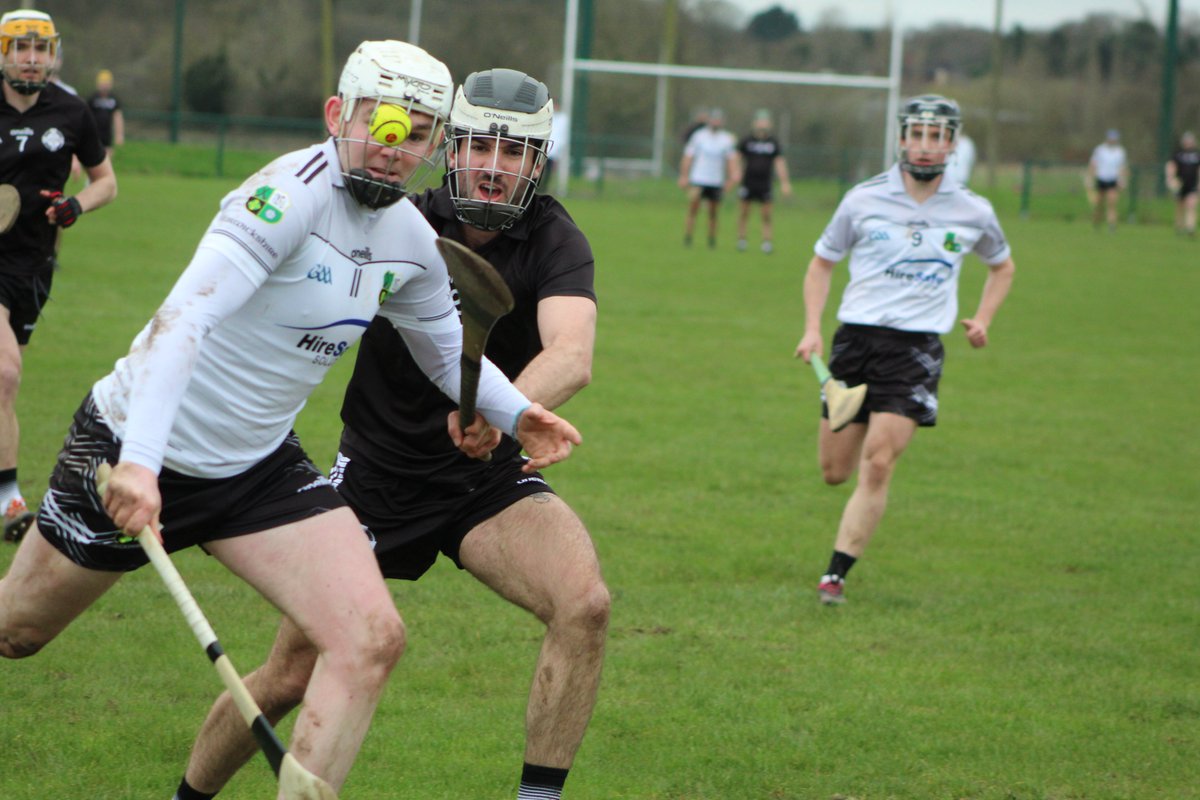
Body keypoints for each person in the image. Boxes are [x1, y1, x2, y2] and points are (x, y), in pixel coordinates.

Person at [0, 40, 583, 800]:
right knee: (18, 633)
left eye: (416, 133)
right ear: (338, 114)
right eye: (381, 122)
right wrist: (141, 461)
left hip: (256, 470)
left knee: (370, 639)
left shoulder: (407, 237)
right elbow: (184, 323)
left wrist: (520, 412)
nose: (392, 147)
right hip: (132, 444)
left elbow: (446, 351)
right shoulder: (283, 198)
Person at [171, 67, 607, 800]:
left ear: (539, 162)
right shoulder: (399, 218)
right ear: (449, 146)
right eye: (478, 146)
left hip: (483, 483)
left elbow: (573, 351)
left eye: (514, 153)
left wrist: (498, 413)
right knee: (285, 677)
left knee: (584, 603)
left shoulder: (556, 238)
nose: (493, 167)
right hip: (374, 475)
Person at [794, 95, 1015, 606]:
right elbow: (820, 264)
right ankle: (864, 429)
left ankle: (835, 575)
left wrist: (983, 318)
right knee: (835, 472)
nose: (926, 145)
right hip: (855, 341)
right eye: (917, 133)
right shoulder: (862, 199)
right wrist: (812, 329)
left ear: (952, 143)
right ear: (901, 138)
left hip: (916, 349)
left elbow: (1002, 267)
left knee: (879, 463)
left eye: (937, 136)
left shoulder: (974, 210)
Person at [0, 8, 117, 542]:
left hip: (34, 265)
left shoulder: (70, 111)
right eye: (21, 48)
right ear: (4, 53)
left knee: (1, 389)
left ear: (53, 55)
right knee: (4, 376)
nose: (31, 57)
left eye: (40, 49)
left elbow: (105, 182)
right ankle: (9, 504)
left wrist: (76, 207)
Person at [678, 107, 738, 248]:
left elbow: (731, 161)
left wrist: (731, 179)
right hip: (698, 179)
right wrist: (684, 176)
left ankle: (711, 240)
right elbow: (688, 157)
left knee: (713, 212)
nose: (716, 122)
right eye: (714, 119)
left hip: (716, 181)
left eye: (718, 119)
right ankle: (688, 237)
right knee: (693, 209)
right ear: (709, 120)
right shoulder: (699, 136)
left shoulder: (726, 139)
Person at [735, 110, 792, 254]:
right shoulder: (747, 141)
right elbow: (737, 158)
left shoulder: (773, 143)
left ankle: (766, 243)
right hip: (748, 182)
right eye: (760, 121)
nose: (762, 124)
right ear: (755, 123)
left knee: (766, 214)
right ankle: (742, 240)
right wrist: (735, 173)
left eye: (765, 121)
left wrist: (785, 182)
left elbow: (779, 163)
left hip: (765, 183)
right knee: (744, 212)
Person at [1088, 128, 1127, 231]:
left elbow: (1122, 167)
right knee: (1099, 204)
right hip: (1101, 179)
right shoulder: (1100, 150)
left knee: (1112, 203)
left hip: (1113, 180)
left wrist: (1122, 179)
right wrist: (1090, 178)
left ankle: (1112, 225)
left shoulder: (1120, 152)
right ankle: (1096, 222)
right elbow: (1093, 164)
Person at [1165, 130, 1199, 237]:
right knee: (1180, 206)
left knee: (1191, 205)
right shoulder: (1178, 154)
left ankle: (1190, 227)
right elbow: (1171, 166)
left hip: (1192, 184)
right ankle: (1179, 227)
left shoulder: (1197, 154)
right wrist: (1170, 179)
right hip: (1180, 184)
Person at [87, 68, 124, 155]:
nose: (104, 86)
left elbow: (118, 117)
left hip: (107, 136)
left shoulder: (114, 100)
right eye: (102, 83)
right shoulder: (92, 99)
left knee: (107, 157)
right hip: (94, 134)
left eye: (107, 83)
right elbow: (86, 116)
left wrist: (119, 135)